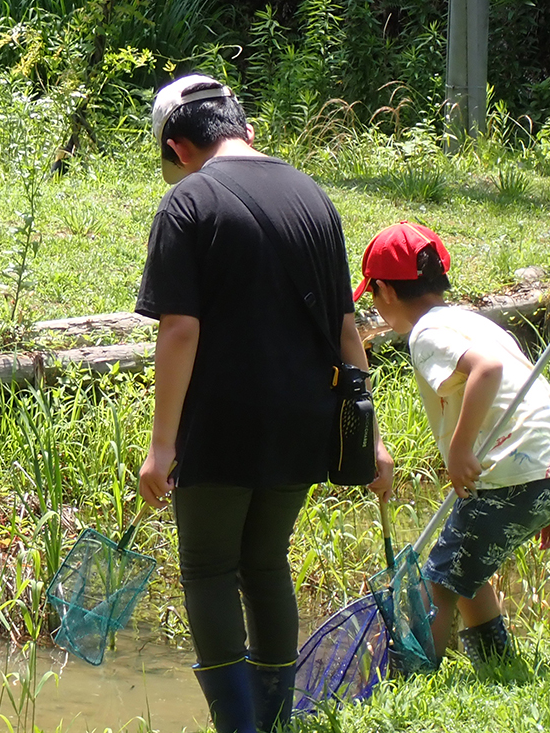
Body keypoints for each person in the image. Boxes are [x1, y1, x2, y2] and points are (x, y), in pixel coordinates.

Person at [135, 74, 393, 733]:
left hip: (221, 421)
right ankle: (276, 721)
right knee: (265, 561)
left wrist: (162, 445)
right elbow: (345, 327)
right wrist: (371, 435)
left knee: (210, 567)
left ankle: (239, 729)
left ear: (179, 146)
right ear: (245, 130)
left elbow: (180, 329)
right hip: (305, 418)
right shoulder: (313, 196)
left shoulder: (187, 205)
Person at [352, 221, 550, 670]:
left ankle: (415, 678)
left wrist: (459, 449)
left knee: (439, 580)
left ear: (385, 290)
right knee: (465, 568)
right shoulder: (472, 322)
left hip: (510, 476)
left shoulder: (427, 334)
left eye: (374, 297)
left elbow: (489, 371)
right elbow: (520, 396)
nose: (377, 308)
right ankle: (496, 660)